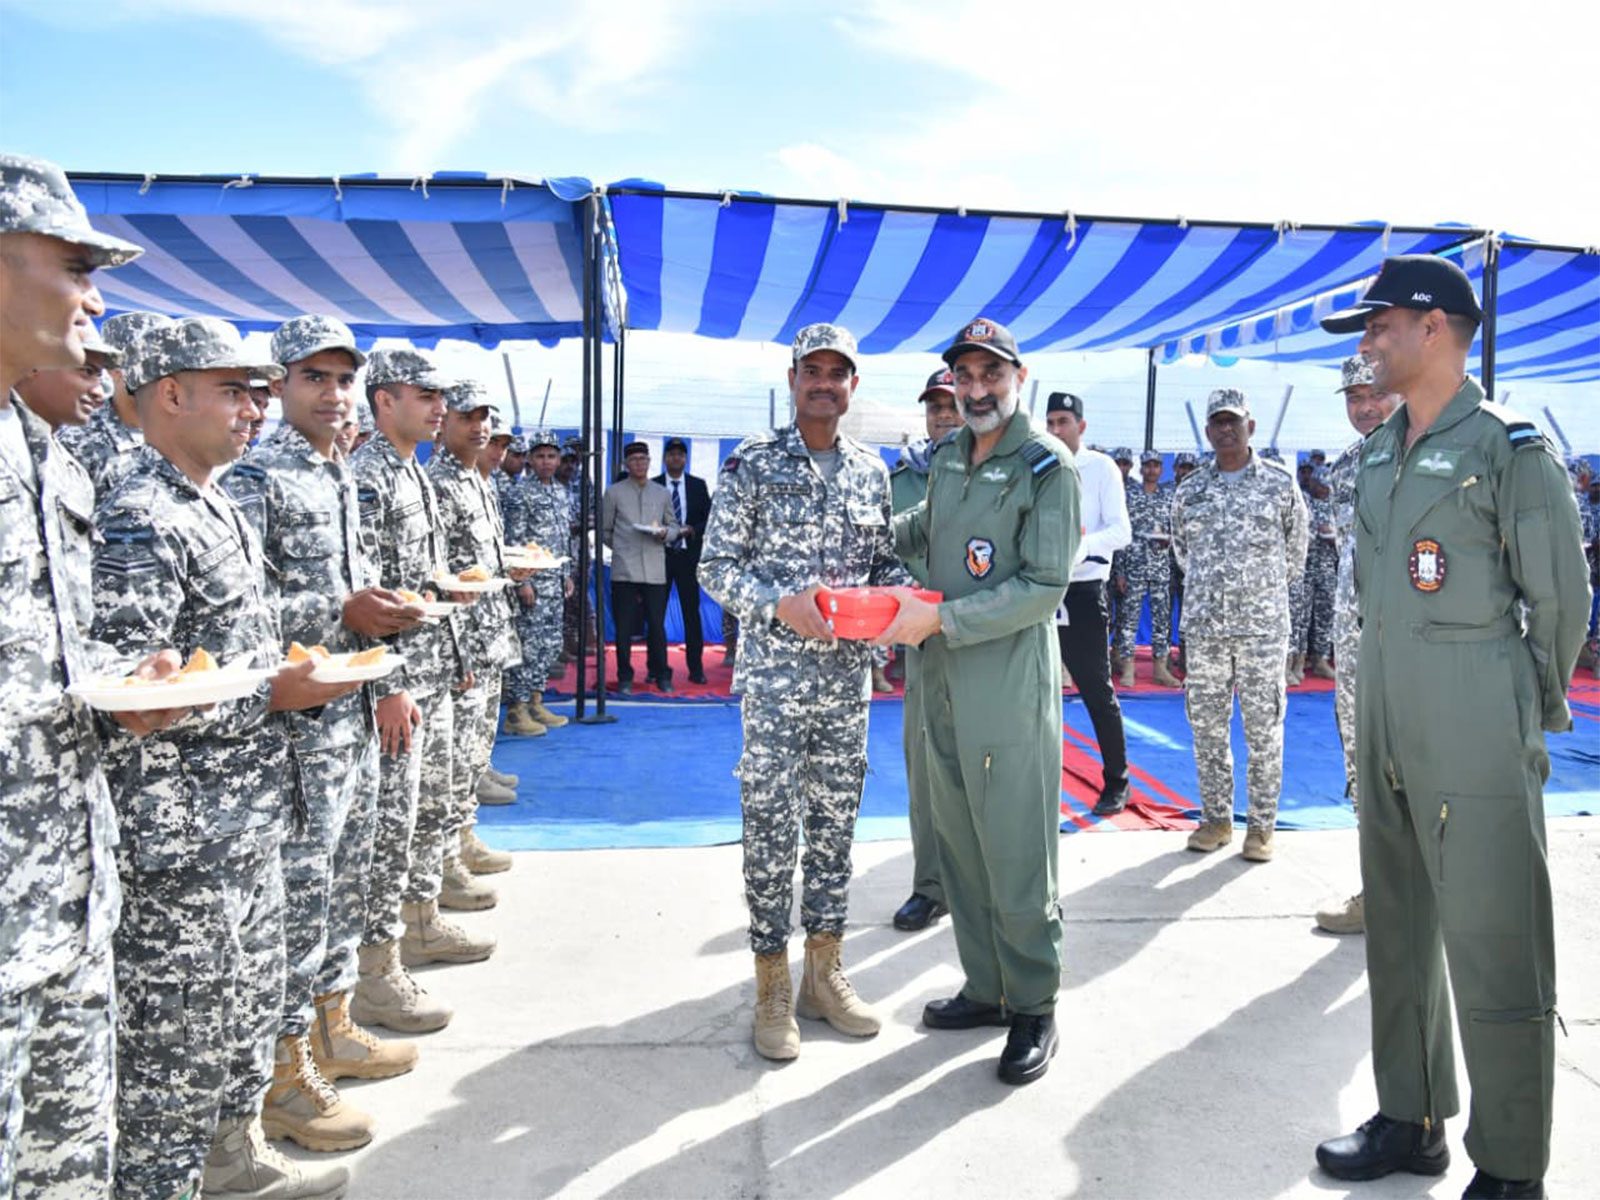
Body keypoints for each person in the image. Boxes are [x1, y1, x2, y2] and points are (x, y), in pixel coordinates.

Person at [1313, 255, 1589, 1200]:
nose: (1366, 341)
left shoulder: (1509, 450)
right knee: (1398, 927)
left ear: (1434, 326)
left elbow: (1559, 607)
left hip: (1474, 724)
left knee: (1495, 943)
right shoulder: (1381, 453)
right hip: (1388, 715)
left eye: (1378, 324)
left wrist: (1515, 712)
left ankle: (1511, 1166)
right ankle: (1412, 1115)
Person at [90, 316, 358, 1200]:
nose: (255, 410)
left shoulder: (207, 496)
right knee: (176, 1048)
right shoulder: (139, 510)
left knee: (236, 1014)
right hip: (180, 838)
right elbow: (134, 697)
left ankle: (234, 1154)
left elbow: (233, 647)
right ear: (171, 394)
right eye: (234, 392)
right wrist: (267, 691)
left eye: (256, 392)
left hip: (243, 814)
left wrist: (279, 675)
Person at [0, 152, 167, 1200]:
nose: (95, 298)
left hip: (64, 894)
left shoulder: (45, 456)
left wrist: (122, 681)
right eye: (73, 267)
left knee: (69, 1168)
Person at [225, 316, 427, 1157]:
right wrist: (334, 612)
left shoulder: (337, 473)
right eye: (315, 377)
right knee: (296, 907)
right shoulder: (258, 479)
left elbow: (353, 598)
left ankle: (331, 1032)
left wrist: (383, 663)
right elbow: (233, 620)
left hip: (344, 722)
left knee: (341, 890)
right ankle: (281, 1079)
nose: (333, 394)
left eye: (344, 379)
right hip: (290, 739)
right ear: (278, 386)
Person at [699, 323, 911, 1062]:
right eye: (811, 371)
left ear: (853, 387)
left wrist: (906, 607)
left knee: (833, 829)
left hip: (847, 685)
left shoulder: (870, 472)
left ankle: (826, 972)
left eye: (837, 373)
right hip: (776, 685)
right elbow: (715, 566)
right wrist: (778, 601)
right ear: (792, 381)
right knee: (769, 829)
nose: (824, 383)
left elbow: (883, 566)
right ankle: (771, 982)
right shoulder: (753, 465)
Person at [878, 317, 1080, 1086]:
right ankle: (987, 986)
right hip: (940, 679)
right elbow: (921, 534)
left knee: (1017, 848)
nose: (975, 389)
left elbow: (1044, 584)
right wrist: (864, 525)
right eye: (963, 377)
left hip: (1004, 680)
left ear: (1017, 378)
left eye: (989, 375)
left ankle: (1034, 1003)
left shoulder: (1044, 466)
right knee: (959, 843)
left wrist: (945, 620)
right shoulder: (949, 460)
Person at [351, 348, 493, 1042]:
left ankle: (419, 922)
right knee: (389, 829)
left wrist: (455, 630)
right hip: (396, 680)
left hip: (428, 666)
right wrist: (389, 681)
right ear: (384, 401)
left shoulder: (410, 469)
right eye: (424, 395)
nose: (439, 407)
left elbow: (417, 579)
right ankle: (378, 971)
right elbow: (366, 596)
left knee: (422, 808)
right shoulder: (370, 475)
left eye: (443, 396)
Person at [1171, 388, 1308, 862]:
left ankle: (1262, 828)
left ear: (1251, 425)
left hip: (1262, 630)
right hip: (1206, 629)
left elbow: (1296, 553)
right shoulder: (1190, 490)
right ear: (1208, 431)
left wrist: (1258, 594)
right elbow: (1181, 552)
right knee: (1207, 727)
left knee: (1263, 729)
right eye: (1218, 423)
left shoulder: (1279, 483)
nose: (1226, 429)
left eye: (1234, 421)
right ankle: (1216, 820)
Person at [426, 381, 525, 900]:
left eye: (485, 416)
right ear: (443, 422)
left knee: (473, 749)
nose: (480, 427)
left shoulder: (475, 479)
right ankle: (444, 861)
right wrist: (455, 649)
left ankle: (464, 837)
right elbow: (433, 573)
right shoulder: (438, 482)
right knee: (452, 756)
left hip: (487, 633)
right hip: (458, 641)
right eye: (469, 416)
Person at [1313, 354, 1401, 936]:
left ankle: (1428, 897)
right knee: (1363, 766)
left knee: (1418, 767)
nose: (1365, 406)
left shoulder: (1426, 455)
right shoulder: (1345, 469)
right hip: (1355, 643)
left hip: (1413, 645)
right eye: (1353, 397)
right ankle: (1380, 893)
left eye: (1374, 393)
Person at [888, 367, 965, 931]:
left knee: (991, 764)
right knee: (926, 766)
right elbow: (884, 547)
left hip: (983, 636)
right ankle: (930, 885)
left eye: (951, 403)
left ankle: (988, 884)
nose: (943, 414)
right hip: (923, 640)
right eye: (934, 405)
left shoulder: (999, 473)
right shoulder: (901, 482)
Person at [1043, 391, 1134, 817]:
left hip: (1082, 591)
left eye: (1064, 421)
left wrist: (1079, 548)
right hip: (1040, 592)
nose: (1056, 430)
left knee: (1096, 690)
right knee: (1034, 692)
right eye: (1051, 422)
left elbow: (1121, 531)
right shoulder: (1037, 465)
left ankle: (1117, 780)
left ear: (1081, 426)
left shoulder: (1101, 469)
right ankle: (1035, 781)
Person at [503, 428, 572, 731]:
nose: (546, 461)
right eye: (540, 456)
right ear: (530, 459)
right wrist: (522, 582)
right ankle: (517, 711)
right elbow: (514, 540)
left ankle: (536, 701)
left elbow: (563, 538)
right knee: (528, 644)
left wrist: (566, 576)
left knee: (549, 643)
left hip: (555, 582)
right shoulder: (520, 493)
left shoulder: (560, 491)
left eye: (551, 456)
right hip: (533, 583)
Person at [602, 441, 681, 693]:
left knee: (657, 625)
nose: (639, 464)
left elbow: (674, 526)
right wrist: (622, 547)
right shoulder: (614, 492)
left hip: (655, 567)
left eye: (643, 459)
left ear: (650, 462)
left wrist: (664, 534)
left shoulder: (661, 493)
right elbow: (605, 530)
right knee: (624, 626)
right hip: (624, 568)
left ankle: (662, 674)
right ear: (626, 464)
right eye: (634, 460)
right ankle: (625, 676)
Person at [1116, 449, 1180, 688]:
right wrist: (1121, 571)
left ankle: (1160, 668)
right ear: (1140, 469)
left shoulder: (1168, 497)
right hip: (1134, 566)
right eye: (1147, 466)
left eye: (1156, 466)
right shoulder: (1130, 496)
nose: (1151, 470)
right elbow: (1122, 535)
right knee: (1129, 619)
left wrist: (1169, 540)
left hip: (1160, 567)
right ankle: (1128, 666)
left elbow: (1176, 530)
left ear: (1161, 470)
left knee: (1161, 620)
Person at [654, 436, 713, 684]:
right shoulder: (654, 485)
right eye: (671, 454)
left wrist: (692, 529)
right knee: (655, 614)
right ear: (665, 458)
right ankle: (655, 667)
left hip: (688, 557)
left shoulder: (698, 485)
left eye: (680, 454)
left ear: (685, 459)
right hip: (660, 555)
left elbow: (709, 518)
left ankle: (696, 668)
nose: (675, 458)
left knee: (692, 614)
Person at [1298, 466, 1340, 681]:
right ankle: (1298, 660)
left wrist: (1333, 535)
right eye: (1319, 485)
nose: (1323, 489)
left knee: (1326, 614)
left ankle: (1321, 659)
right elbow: (1302, 533)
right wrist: (1319, 532)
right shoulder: (1304, 501)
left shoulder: (1334, 506)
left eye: (1326, 486)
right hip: (1305, 568)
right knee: (1302, 617)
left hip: (1326, 569)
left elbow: (1343, 534)